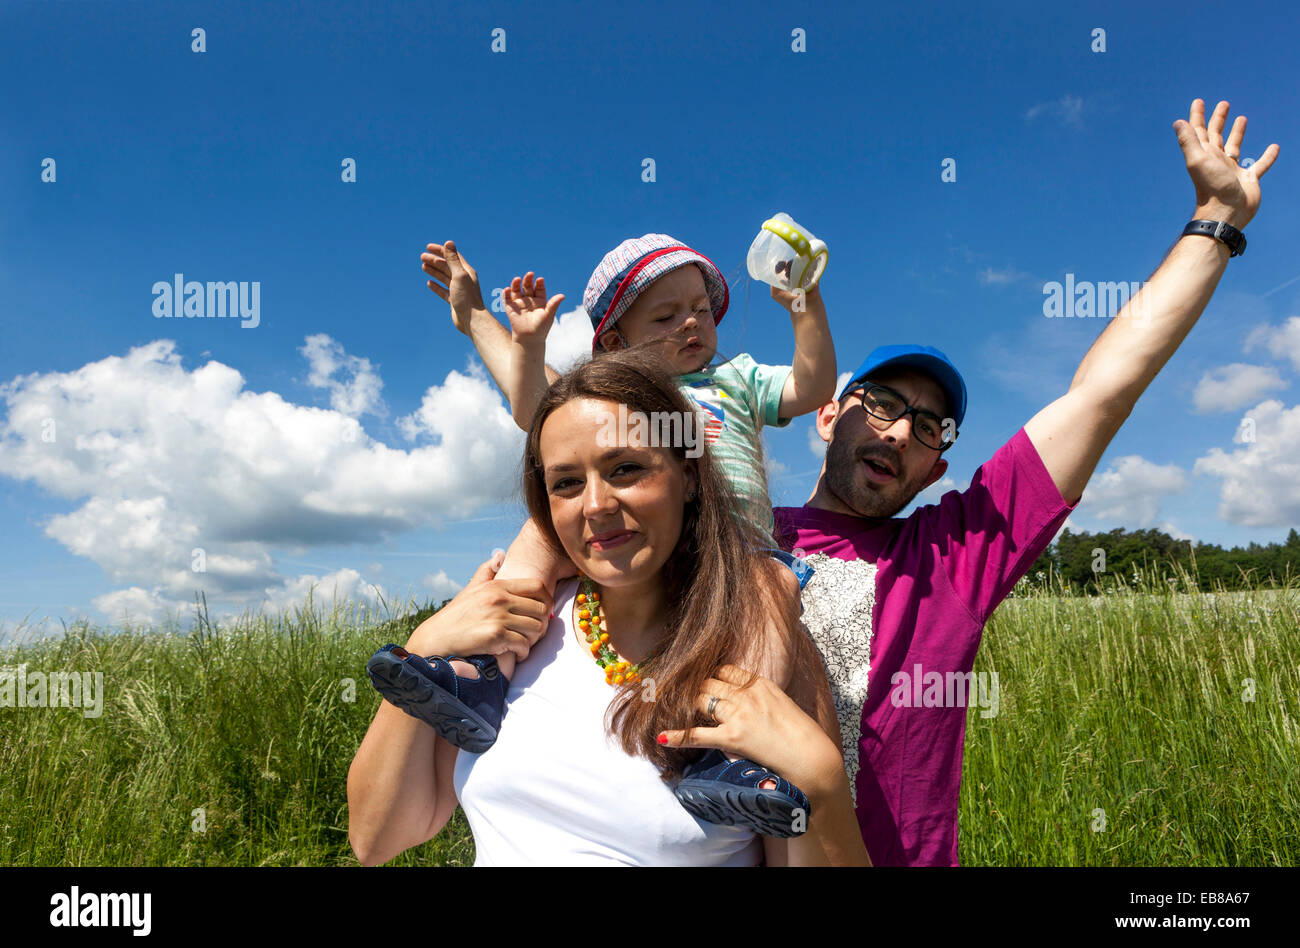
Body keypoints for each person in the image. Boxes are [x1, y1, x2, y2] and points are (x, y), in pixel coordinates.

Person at [443, 98, 1280, 865]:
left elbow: (1101, 394)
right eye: (880, 402)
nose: (901, 429)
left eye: (930, 427)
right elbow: (566, 444)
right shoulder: (689, 526)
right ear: (824, 416)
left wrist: (1215, 223)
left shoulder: (954, 556)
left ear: (939, 466)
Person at [347, 348, 870, 866]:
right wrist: (422, 648)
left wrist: (820, 782)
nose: (596, 505)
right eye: (566, 483)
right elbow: (378, 839)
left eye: (625, 468)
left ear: (688, 476)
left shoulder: (766, 646)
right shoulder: (513, 631)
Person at [403, 232, 836, 833]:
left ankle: (729, 754)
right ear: (613, 342)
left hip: (734, 547)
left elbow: (812, 386)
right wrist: (500, 329)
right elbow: (539, 410)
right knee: (538, 535)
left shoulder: (733, 379)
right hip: (638, 539)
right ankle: (479, 673)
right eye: (666, 314)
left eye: (703, 310)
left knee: (771, 587)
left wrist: (802, 301)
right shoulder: (611, 404)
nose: (693, 322)